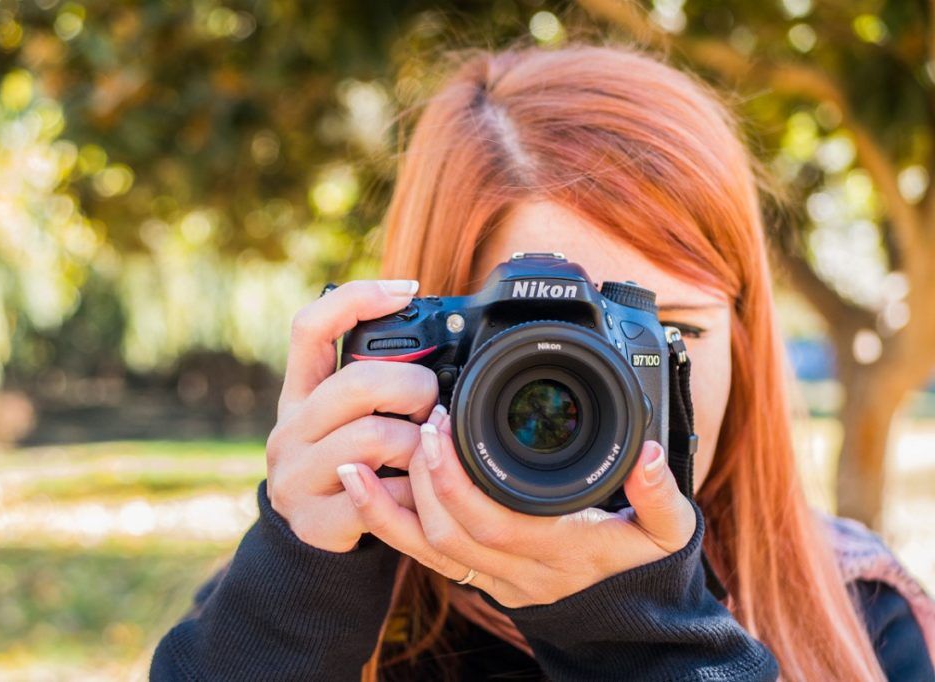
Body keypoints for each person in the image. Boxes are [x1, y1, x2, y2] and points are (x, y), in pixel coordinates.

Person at [150, 43, 935, 681]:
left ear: (746, 337)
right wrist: (299, 596)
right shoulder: (314, 605)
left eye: (668, 336)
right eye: (532, 344)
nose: (603, 395)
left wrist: (644, 638)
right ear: (429, 345)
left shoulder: (856, 612)